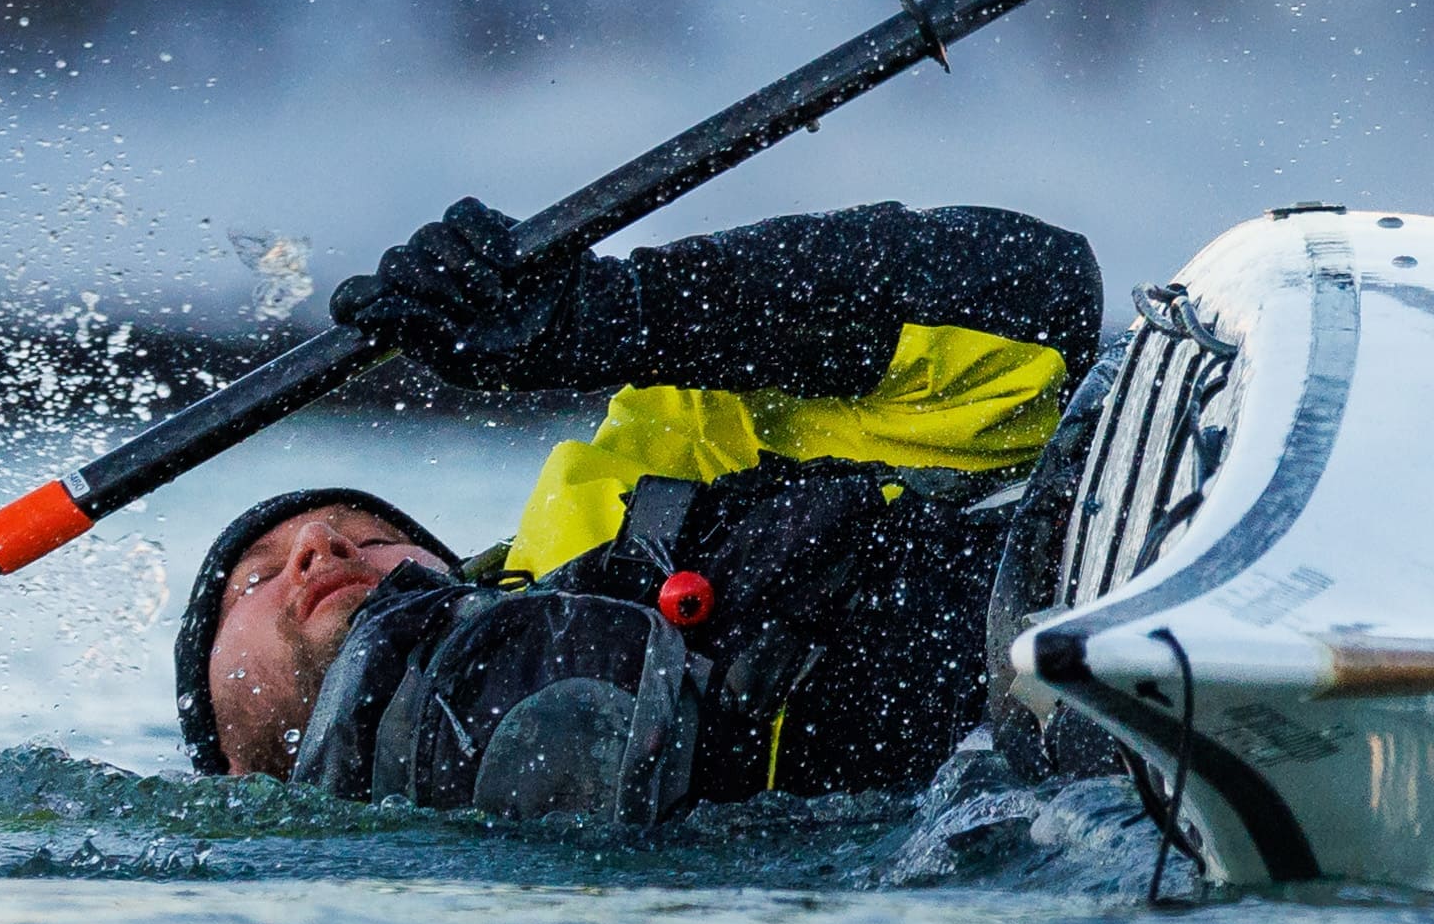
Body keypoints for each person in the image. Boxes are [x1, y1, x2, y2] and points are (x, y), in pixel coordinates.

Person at [175, 196, 1102, 820]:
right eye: (254, 578)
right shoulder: (320, 885)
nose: (323, 547)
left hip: (1082, 657)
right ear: (231, 765)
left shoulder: (634, 482)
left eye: (371, 538)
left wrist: (616, 316)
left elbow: (1029, 292)